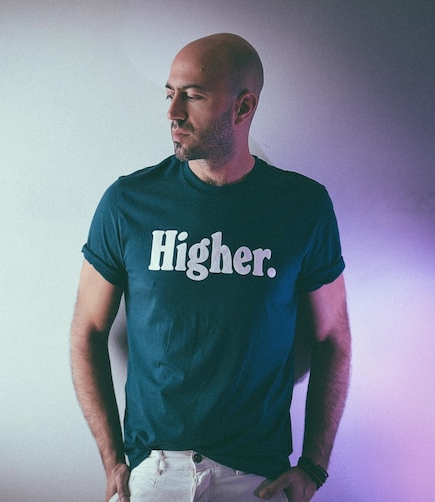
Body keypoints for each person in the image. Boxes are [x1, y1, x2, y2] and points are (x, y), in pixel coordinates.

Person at [70, 33, 351, 502]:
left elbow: (332, 338)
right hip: (156, 474)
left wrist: (314, 468)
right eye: (169, 93)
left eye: (193, 96)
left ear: (242, 108)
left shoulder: (302, 207)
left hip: (257, 479)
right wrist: (114, 462)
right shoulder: (128, 202)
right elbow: (87, 331)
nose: (172, 112)